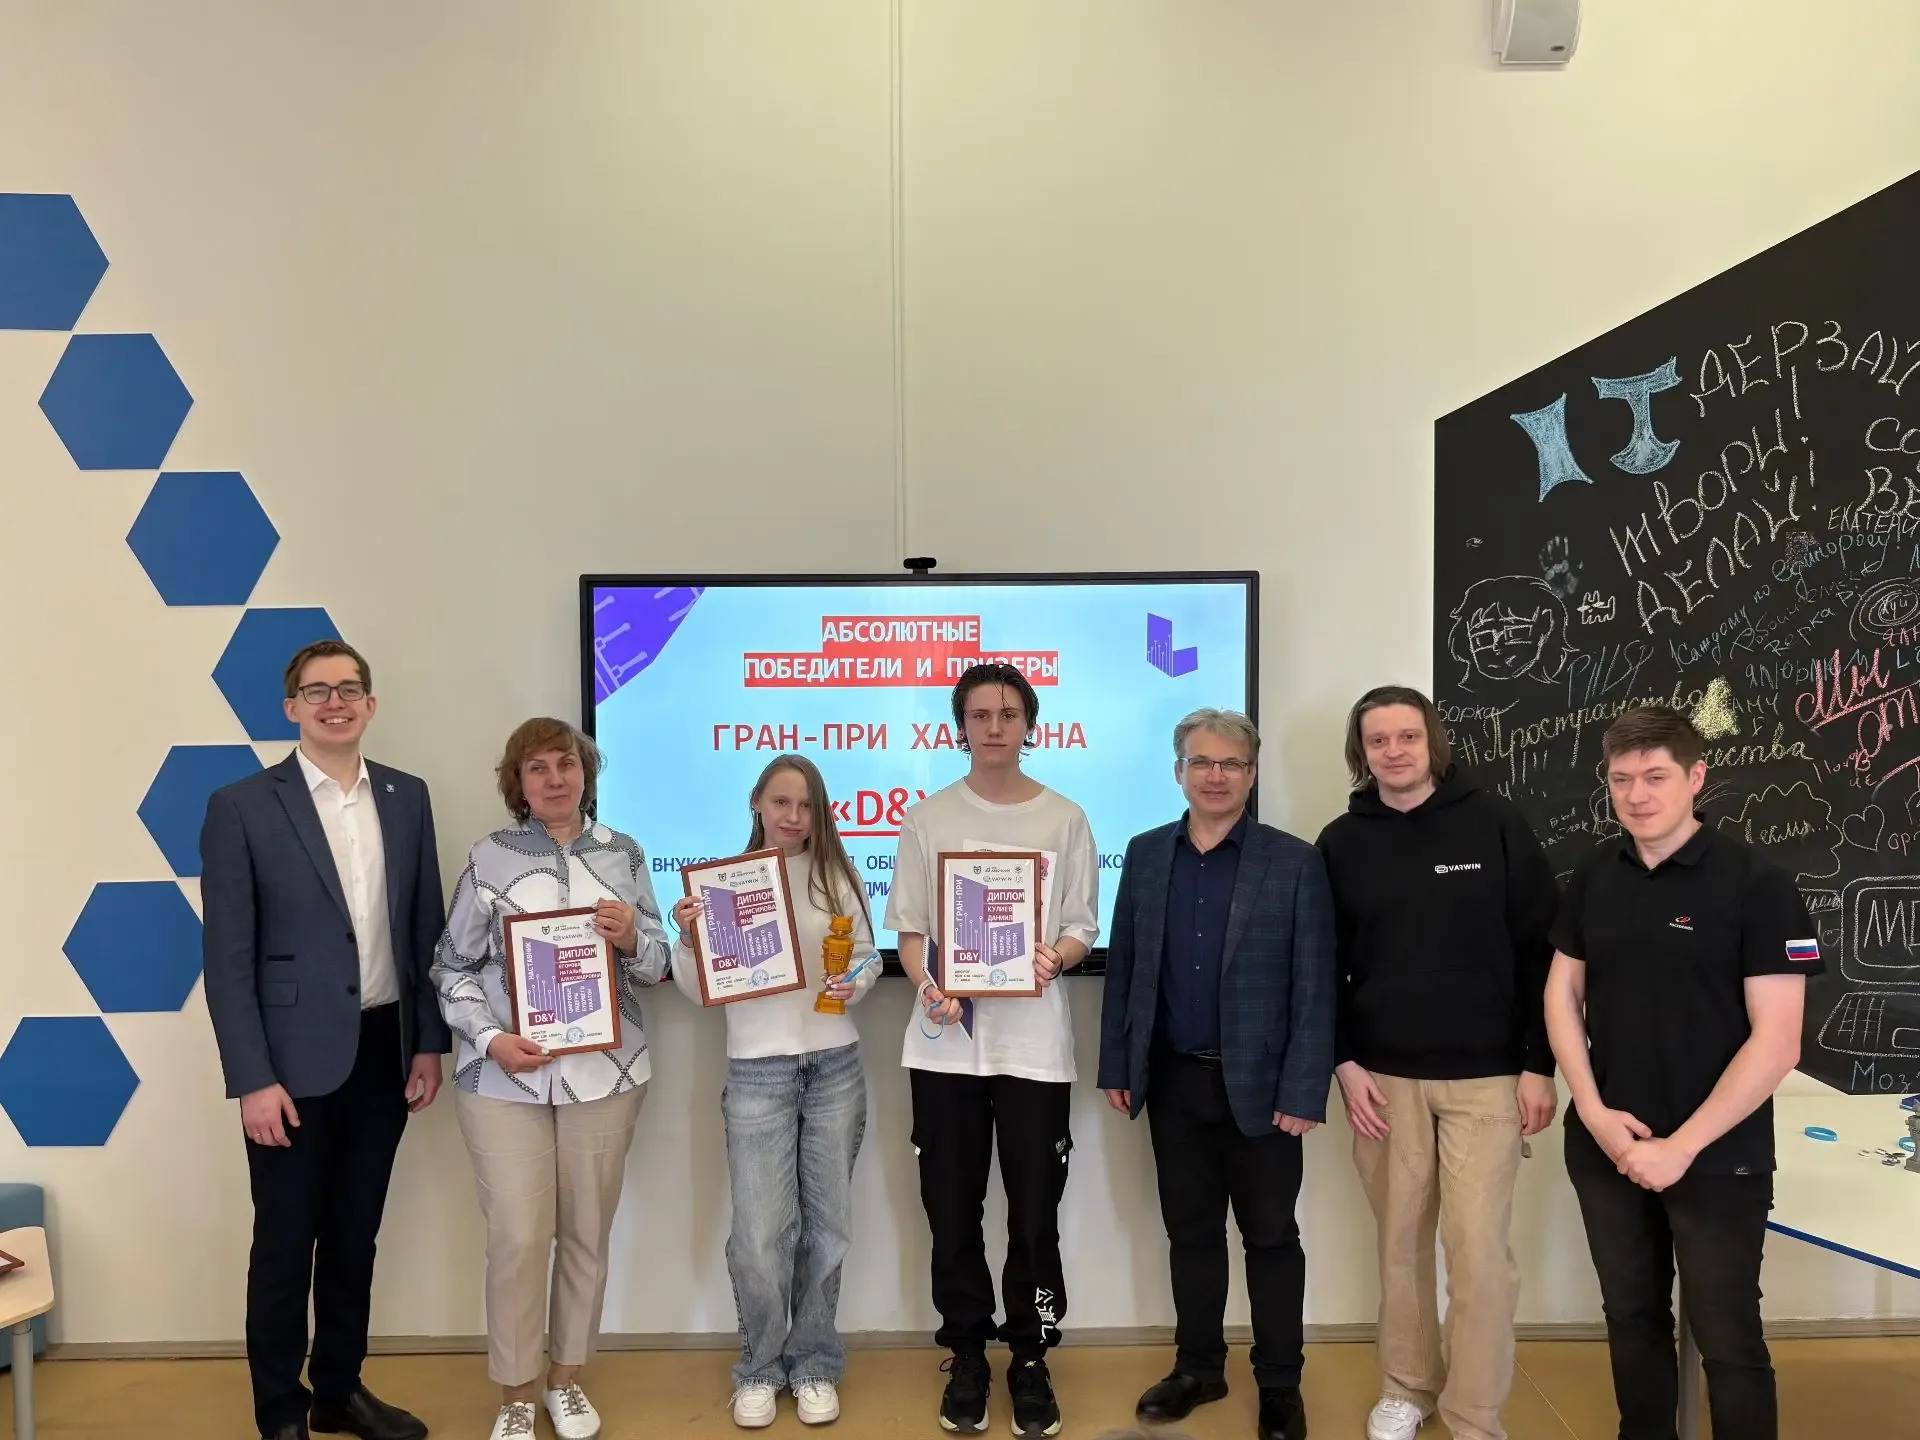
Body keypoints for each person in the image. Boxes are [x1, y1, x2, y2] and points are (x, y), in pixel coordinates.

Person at [1545, 706, 1818, 1440]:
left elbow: (1778, 1042)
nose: (1636, 795)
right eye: (1621, 779)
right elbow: (1561, 995)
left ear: (1696, 777)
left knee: (1727, 1336)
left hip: (1718, 1156)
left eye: (1655, 777)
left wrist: (1681, 1147)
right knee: (1632, 1316)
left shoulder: (1758, 885)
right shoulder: (1595, 874)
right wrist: (1594, 1112)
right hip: (1609, 1144)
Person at [201, 640, 450, 1440]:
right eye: (317, 691)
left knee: (354, 1237)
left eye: (349, 689)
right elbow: (227, 958)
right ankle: (281, 1412)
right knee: (284, 1244)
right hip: (289, 1065)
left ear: (370, 705)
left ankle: (338, 1390)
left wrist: (427, 1042)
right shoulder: (241, 806)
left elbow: (423, 930)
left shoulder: (406, 797)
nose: (334, 702)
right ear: (292, 708)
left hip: (385, 1050)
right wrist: (252, 1078)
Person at [1315, 686, 1560, 1440]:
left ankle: (1474, 1411)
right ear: (1362, 753)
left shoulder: (1495, 823)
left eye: (1408, 737)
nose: (1394, 751)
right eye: (1378, 740)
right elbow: (1322, 964)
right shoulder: (1340, 842)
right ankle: (1407, 1387)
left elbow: (1542, 950)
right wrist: (1343, 1061)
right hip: (1382, 1081)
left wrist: (1539, 1063)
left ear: (1433, 744)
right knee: (1399, 1248)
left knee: (1478, 1255)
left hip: (1488, 1078)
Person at [1097, 708, 1335, 1440]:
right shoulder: (1145, 855)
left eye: (1232, 763)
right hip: (1173, 1081)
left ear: (1252, 774)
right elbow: (1126, 968)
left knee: (1271, 1238)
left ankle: (1280, 1383)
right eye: (1201, 762)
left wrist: (1304, 1089)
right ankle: (1198, 1368)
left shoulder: (1293, 861)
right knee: (1191, 1234)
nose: (1216, 775)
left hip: (1264, 1091)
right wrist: (1119, 1063)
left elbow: (1315, 985)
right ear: (1179, 772)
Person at [431, 718, 671, 1440]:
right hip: (504, 1080)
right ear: (519, 783)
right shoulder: (488, 858)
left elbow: (659, 964)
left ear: (585, 772)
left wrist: (631, 936)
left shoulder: (624, 853)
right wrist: (491, 1038)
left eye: (566, 763)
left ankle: (565, 1381)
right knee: (517, 1236)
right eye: (537, 768)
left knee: (587, 1233)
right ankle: (515, 1393)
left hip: (607, 1074)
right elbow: (450, 967)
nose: (555, 778)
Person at [886, 662, 1100, 1438]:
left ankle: (1032, 1357)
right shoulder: (928, 818)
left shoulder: (1065, 818)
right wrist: (928, 984)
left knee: (1035, 1216)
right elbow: (911, 931)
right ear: (961, 726)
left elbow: (1081, 926)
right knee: (952, 1212)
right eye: (980, 715)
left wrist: (1055, 958)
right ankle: (968, 1354)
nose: (995, 727)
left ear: (1029, 725)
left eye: (1009, 714)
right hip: (946, 1050)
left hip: (1035, 1051)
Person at [667, 755, 877, 1430]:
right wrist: (690, 938)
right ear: (756, 802)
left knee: (829, 1231)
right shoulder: (723, 886)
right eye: (781, 801)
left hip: (834, 1065)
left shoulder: (837, 876)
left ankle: (813, 1363)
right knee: (759, 1237)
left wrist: (856, 982)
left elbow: (868, 957)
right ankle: (759, 1368)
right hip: (757, 1071)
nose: (793, 816)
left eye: (807, 805)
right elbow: (698, 991)